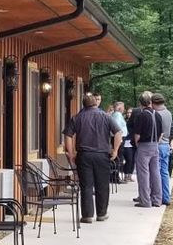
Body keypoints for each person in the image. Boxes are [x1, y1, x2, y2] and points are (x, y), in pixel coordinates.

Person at [62, 92, 122, 222]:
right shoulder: (106, 117)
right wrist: (115, 150)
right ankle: (101, 213)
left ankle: (87, 215)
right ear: (96, 103)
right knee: (102, 185)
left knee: (86, 185)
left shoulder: (77, 118)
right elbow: (118, 132)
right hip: (102, 155)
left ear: (84, 104)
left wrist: (71, 153)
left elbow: (68, 135)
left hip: (84, 155)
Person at [129, 92, 163, 206]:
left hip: (144, 145)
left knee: (143, 174)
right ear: (150, 102)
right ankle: (157, 199)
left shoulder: (141, 115)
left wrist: (138, 144)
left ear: (141, 103)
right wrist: (156, 142)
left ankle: (145, 200)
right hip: (155, 145)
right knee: (155, 173)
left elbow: (137, 134)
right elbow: (161, 133)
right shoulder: (157, 115)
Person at [152, 94, 173, 207]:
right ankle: (166, 197)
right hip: (166, 145)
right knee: (165, 172)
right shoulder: (168, 113)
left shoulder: (157, 114)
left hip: (159, 144)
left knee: (157, 172)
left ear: (154, 103)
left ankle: (158, 196)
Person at [109, 100, 131, 184]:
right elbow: (117, 130)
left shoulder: (116, 115)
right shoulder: (117, 115)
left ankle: (115, 176)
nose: (124, 109)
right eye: (123, 107)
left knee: (118, 157)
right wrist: (120, 139)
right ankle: (115, 177)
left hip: (118, 138)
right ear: (119, 108)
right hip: (119, 138)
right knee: (118, 157)